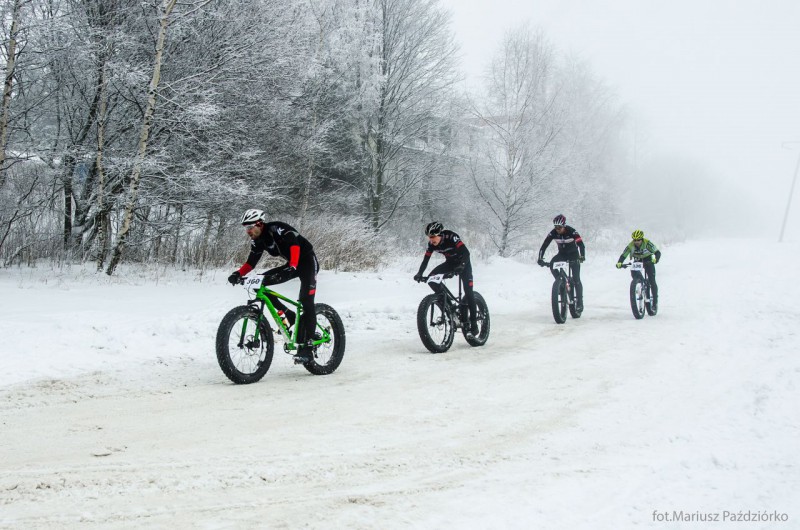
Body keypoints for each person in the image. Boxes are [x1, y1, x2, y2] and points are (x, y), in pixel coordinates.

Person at [227, 209, 319, 363]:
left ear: (259, 223)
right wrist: (238, 273)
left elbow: (294, 245)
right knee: (258, 282)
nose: (248, 231)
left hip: (307, 262)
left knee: (306, 300)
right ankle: (289, 314)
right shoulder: (258, 240)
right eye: (245, 228)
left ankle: (308, 348)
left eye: (250, 227)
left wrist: (294, 265)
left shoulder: (277, 228)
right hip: (292, 264)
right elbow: (251, 262)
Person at [413, 222, 478, 335]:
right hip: (450, 263)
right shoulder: (432, 244)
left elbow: (466, 252)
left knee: (468, 292)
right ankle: (448, 305)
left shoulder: (451, 237)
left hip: (464, 264)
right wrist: (420, 273)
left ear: (440, 234)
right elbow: (426, 259)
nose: (431, 240)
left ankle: (474, 324)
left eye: (433, 237)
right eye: (429, 237)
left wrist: (461, 266)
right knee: (431, 279)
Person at [537, 214, 586, 311]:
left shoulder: (572, 231)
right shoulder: (553, 233)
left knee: (576, 279)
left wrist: (582, 256)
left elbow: (581, 245)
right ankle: (561, 284)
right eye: (555, 227)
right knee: (552, 264)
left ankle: (579, 302)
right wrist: (540, 258)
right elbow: (544, 245)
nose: (557, 229)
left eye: (559, 227)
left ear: (564, 225)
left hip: (574, 255)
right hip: (562, 254)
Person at [616, 229, 661, 307]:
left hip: (648, 260)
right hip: (637, 261)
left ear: (642, 239)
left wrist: (655, 260)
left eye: (638, 240)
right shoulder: (631, 245)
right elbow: (624, 255)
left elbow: (657, 252)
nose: (636, 242)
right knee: (635, 275)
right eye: (635, 240)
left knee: (652, 280)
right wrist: (620, 262)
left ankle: (655, 301)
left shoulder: (647, 243)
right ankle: (639, 283)